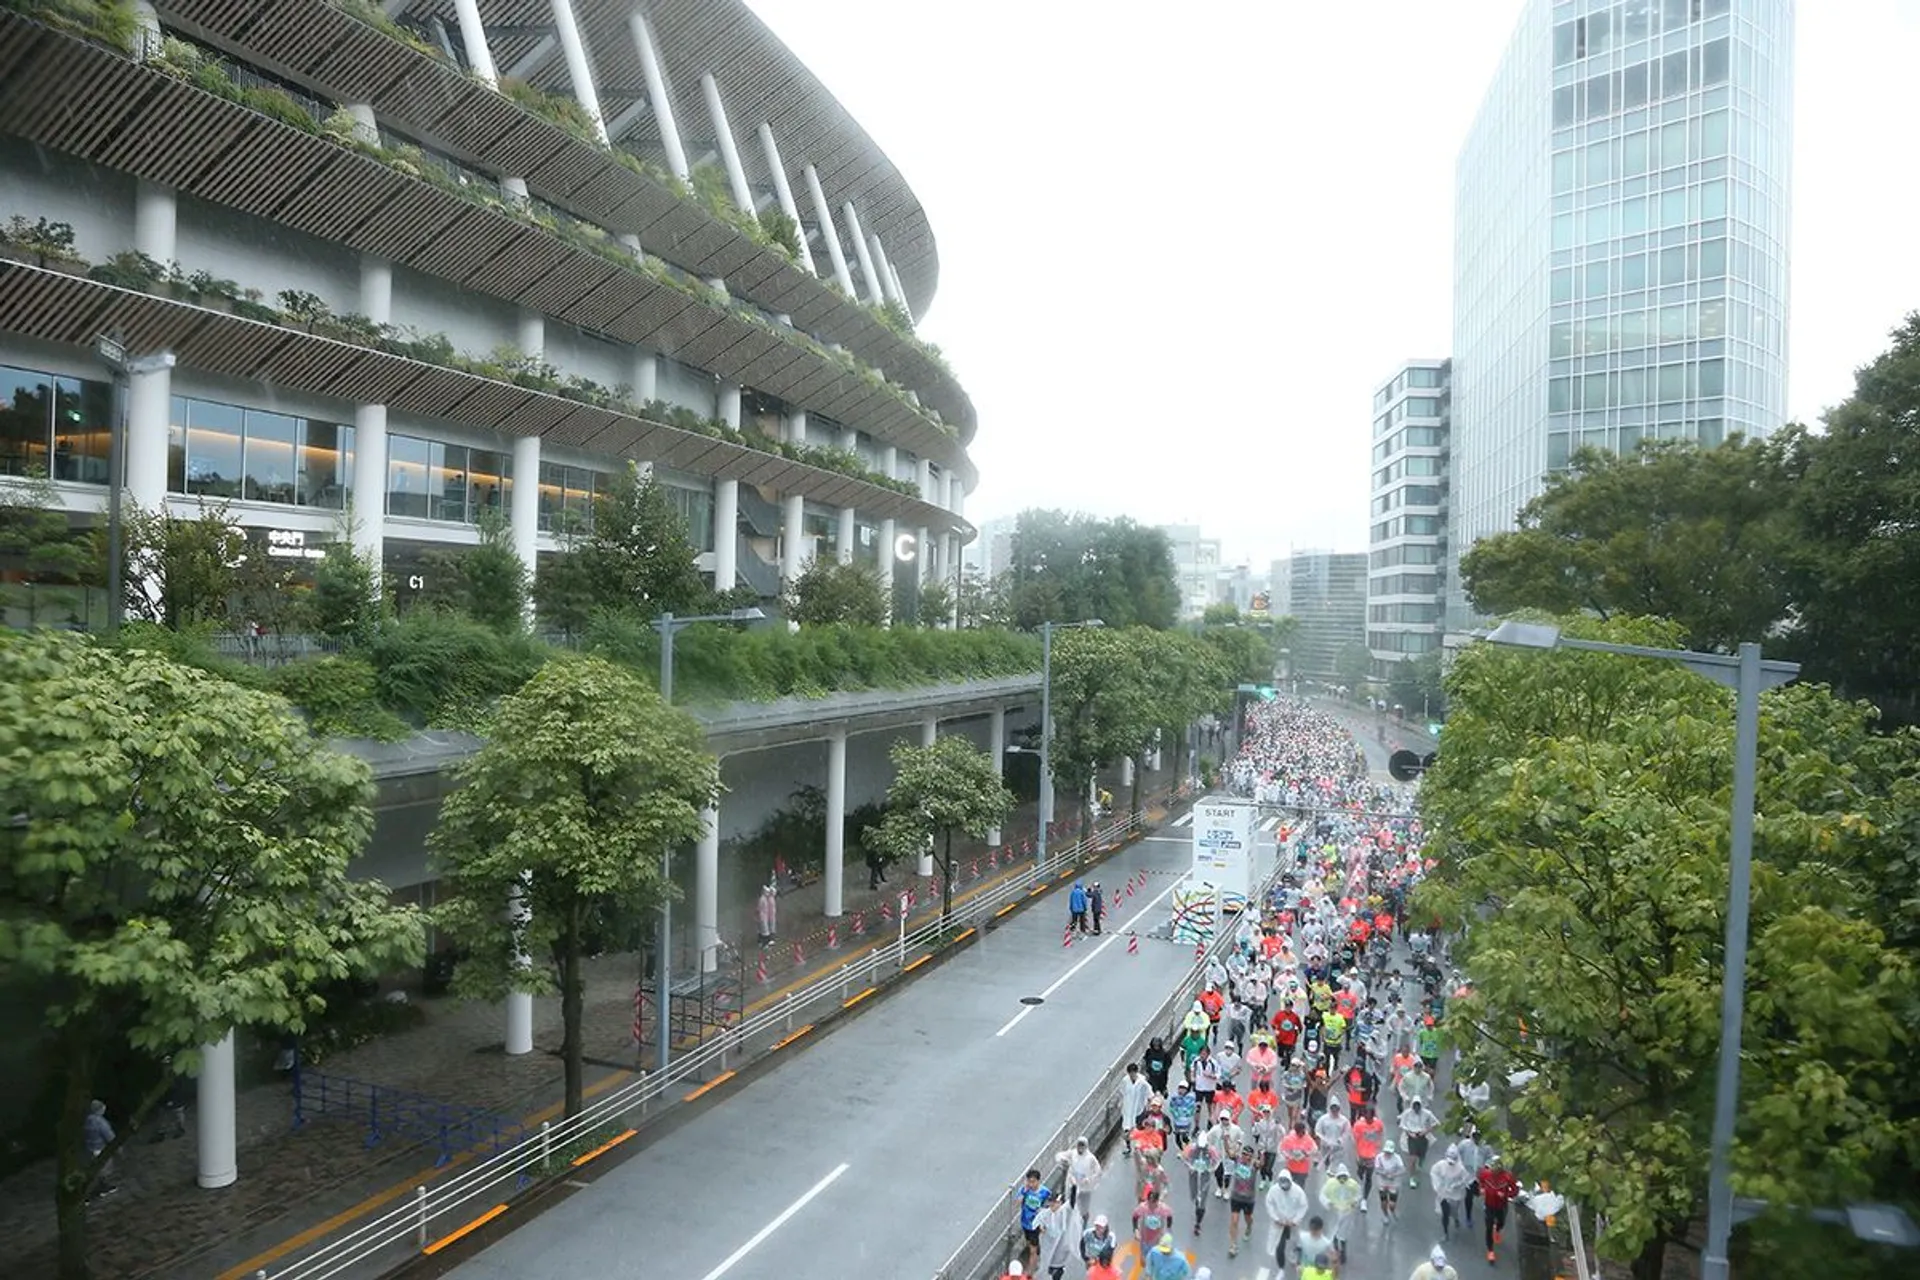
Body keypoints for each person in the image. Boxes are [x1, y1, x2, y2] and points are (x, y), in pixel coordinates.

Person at [1478, 1153, 1521, 1266]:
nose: (1494, 1170)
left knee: (1501, 1222)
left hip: (1501, 1205)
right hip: (1489, 1205)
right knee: (1488, 1227)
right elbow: (1481, 1181)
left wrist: (1506, 1194)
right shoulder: (1485, 1174)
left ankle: (1497, 1230)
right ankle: (1490, 1251)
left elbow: (1515, 1191)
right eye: (1492, 1168)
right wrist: (1482, 1188)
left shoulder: (1507, 1177)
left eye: (1496, 1168)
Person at [1265, 1169, 1308, 1271]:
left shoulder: (1298, 1191)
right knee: (1279, 1246)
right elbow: (1269, 1203)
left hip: (1293, 1223)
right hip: (1280, 1222)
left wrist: (1295, 1220)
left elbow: (1303, 1206)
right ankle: (1281, 1269)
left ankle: (1295, 1257)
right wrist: (1276, 1218)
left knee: (1295, 1242)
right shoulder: (1274, 1190)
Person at [1320, 1164, 1364, 1264]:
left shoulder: (1352, 1184)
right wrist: (1328, 1202)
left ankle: (1343, 1251)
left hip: (1347, 1212)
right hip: (1334, 1212)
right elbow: (1323, 1194)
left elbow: (1359, 1194)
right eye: (1340, 1177)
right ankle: (1336, 1250)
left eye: (1344, 1177)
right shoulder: (1331, 1184)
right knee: (1334, 1231)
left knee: (1343, 1234)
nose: (1342, 1179)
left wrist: (1355, 1202)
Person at [1430, 1143, 1473, 1242]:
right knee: (1445, 1213)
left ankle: (1456, 1218)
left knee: (1453, 1211)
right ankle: (1445, 1233)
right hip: (1444, 1193)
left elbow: (1466, 1179)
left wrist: (1457, 1185)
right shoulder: (1440, 1165)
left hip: (1455, 1195)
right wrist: (1438, 1185)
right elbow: (1434, 1173)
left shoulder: (1460, 1169)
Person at [1225, 1144, 1260, 1259]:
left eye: (1249, 1155)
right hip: (1236, 1197)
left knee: (1248, 1218)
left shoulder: (1254, 1166)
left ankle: (1249, 1227)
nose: (1246, 1157)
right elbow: (1229, 1153)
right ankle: (1233, 1245)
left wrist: (1262, 1154)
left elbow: (1261, 1164)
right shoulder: (1237, 1161)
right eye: (1244, 1154)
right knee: (1234, 1220)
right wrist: (1226, 1140)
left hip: (1248, 1199)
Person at [1036, 1196, 1082, 1280]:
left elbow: (1072, 1202)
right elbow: (1039, 1223)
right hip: (1048, 1248)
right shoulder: (1046, 1213)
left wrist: (1074, 1187)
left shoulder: (1065, 1212)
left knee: (1057, 1272)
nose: (1053, 1205)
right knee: (1047, 1269)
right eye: (1051, 1202)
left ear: (1060, 1203)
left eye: (1055, 1202)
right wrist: (1041, 1227)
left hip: (1061, 1249)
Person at [1013, 1169, 1052, 1271]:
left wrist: (1044, 1223)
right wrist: (1024, 1192)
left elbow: (1050, 1208)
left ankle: (1030, 1271)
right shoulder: (1024, 1190)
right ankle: (1034, 1249)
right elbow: (1016, 1204)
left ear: (1038, 1181)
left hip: (1036, 1224)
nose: (1031, 1184)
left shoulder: (1045, 1192)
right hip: (1025, 1222)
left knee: (1032, 1251)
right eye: (1029, 1181)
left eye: (1033, 1181)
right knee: (1029, 1242)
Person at [81, 1099, 117, 1197]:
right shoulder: (100, 1122)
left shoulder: (86, 1120)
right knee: (104, 1169)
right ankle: (100, 1189)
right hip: (100, 1148)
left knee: (94, 1169)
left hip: (90, 1149)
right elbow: (109, 1135)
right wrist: (117, 1146)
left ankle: (98, 1188)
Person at [1352, 1104, 1384, 1208]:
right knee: (1360, 1173)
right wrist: (1356, 1154)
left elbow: (1380, 1134)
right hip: (1361, 1155)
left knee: (1369, 1177)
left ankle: (1364, 1199)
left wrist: (1378, 1147)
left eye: (1370, 1117)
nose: (1368, 1119)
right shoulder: (1358, 1125)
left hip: (1372, 1155)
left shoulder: (1378, 1124)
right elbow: (1355, 1140)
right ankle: (1359, 1188)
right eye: (1367, 1117)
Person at [1057, 1135, 1101, 1211]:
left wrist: (1089, 1179)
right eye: (1078, 1145)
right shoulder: (1073, 1153)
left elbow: (1098, 1171)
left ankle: (1084, 1218)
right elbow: (1059, 1155)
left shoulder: (1090, 1158)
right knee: (1070, 1204)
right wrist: (1063, 1160)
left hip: (1085, 1186)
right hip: (1072, 1183)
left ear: (1086, 1146)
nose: (1080, 1148)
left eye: (1082, 1146)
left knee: (1084, 1208)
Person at [1399, 1096, 1436, 1186]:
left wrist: (1426, 1131)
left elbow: (1435, 1123)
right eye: (1414, 1105)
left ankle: (1420, 1162)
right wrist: (1409, 1133)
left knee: (1422, 1156)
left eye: (1418, 1105)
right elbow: (1402, 1125)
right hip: (1412, 1137)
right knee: (1412, 1159)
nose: (1416, 1108)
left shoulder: (1427, 1113)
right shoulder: (1407, 1113)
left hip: (1423, 1137)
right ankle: (1412, 1178)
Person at [1375, 1138, 1408, 1224]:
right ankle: (1385, 1215)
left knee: (1392, 1204)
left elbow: (1403, 1169)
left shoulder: (1397, 1158)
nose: (1388, 1154)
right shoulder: (1379, 1157)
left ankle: (1392, 1210)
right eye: (1387, 1152)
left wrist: (1394, 1175)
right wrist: (1384, 1173)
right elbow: (1377, 1169)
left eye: (1390, 1152)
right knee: (1383, 1201)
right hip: (1382, 1182)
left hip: (1394, 1183)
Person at [1121, 1064, 1152, 1156]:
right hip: (1128, 1107)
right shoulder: (1125, 1080)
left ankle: (1142, 1145)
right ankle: (1127, 1147)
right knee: (1126, 1128)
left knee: (1140, 1128)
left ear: (1136, 1072)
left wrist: (1149, 1103)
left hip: (1139, 1108)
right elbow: (1122, 1091)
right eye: (1130, 1073)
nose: (1132, 1075)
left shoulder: (1142, 1081)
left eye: (1133, 1073)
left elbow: (1149, 1092)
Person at [1135, 1185, 1176, 1254]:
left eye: (1153, 1203)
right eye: (1149, 1202)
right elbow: (1135, 1217)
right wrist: (1136, 1229)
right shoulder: (1143, 1207)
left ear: (1157, 1201)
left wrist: (1168, 1229)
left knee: (1156, 1258)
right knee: (1145, 1259)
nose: (1151, 1205)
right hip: (1145, 1239)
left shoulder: (1163, 1208)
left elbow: (1169, 1216)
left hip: (1158, 1240)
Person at [1295, 1215, 1337, 1280]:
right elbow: (1298, 1250)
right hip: (1304, 1268)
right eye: (1312, 1229)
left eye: (1316, 1230)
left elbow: (1332, 1258)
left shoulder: (1326, 1243)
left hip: (1318, 1270)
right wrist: (1298, 1264)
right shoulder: (1302, 1237)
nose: (1314, 1232)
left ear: (1321, 1229)